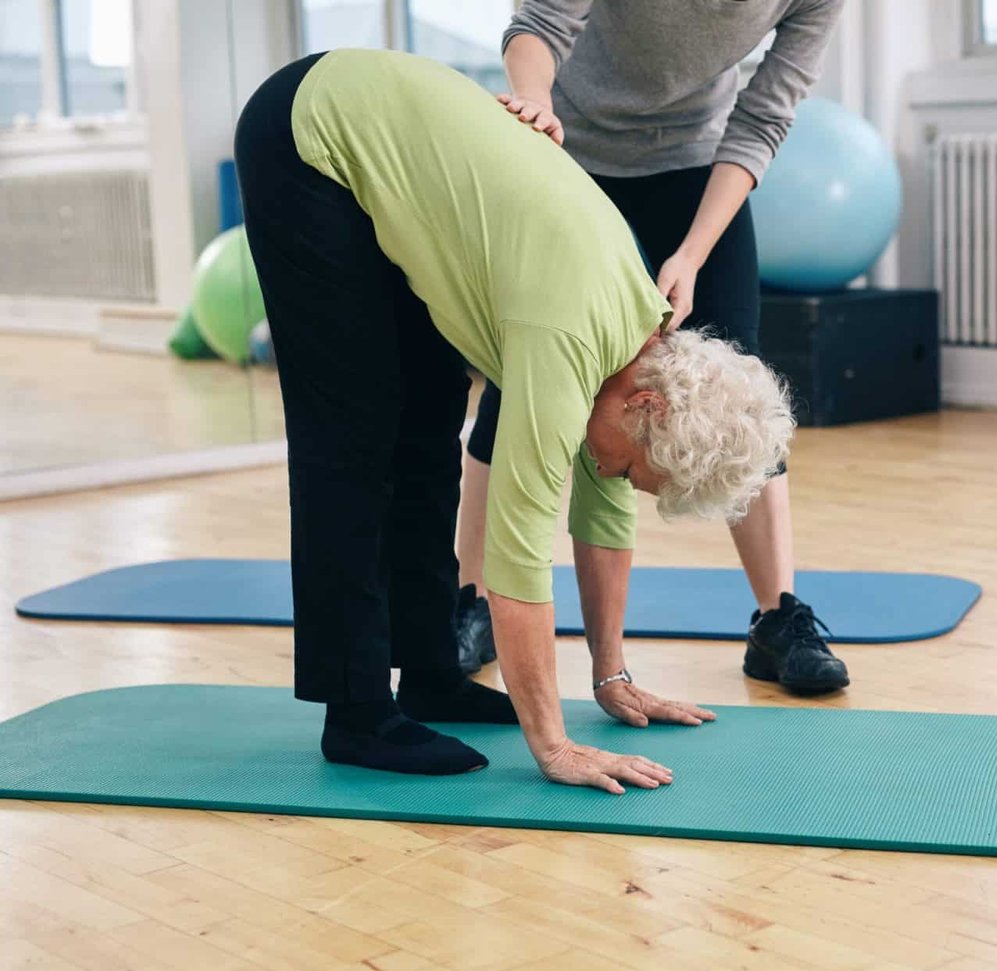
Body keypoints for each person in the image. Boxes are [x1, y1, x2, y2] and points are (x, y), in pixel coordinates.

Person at [234, 48, 793, 789]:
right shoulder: (568, 339)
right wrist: (554, 745)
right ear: (647, 405)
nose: (615, 477)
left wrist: (609, 675)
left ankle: (431, 673)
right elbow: (519, 558)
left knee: (430, 425)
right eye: (632, 468)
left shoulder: (638, 348)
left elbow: (602, 514)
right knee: (352, 435)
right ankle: (357, 710)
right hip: (310, 133)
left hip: (388, 150)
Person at [454, 0, 850, 696]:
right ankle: (470, 602)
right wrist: (535, 113)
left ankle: (776, 618)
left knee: (738, 375)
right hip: (564, 142)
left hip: (694, 161)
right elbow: (539, 25)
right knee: (518, 368)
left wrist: (694, 252)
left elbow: (763, 117)